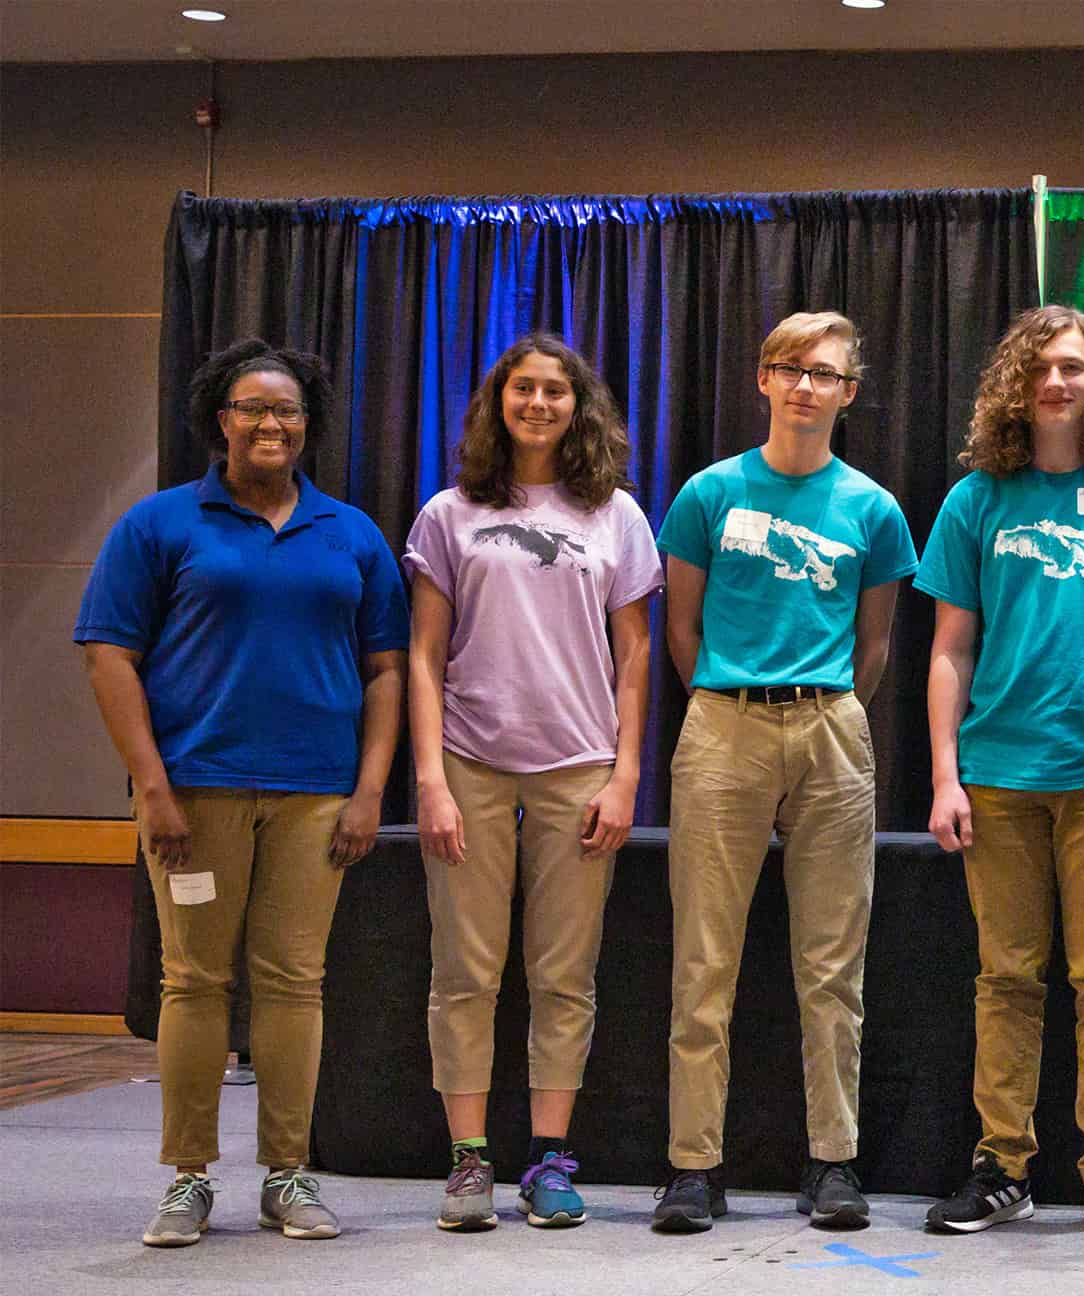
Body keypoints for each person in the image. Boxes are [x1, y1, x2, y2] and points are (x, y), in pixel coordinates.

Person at [75, 338, 408, 1248]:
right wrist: (152, 786)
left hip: (317, 798)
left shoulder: (350, 533)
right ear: (219, 420)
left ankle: (287, 1173)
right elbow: (110, 655)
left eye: (288, 410)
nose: (271, 423)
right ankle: (187, 1178)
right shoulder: (160, 524)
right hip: (195, 793)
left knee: (295, 982)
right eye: (252, 408)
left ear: (309, 425)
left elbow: (387, 670)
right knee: (193, 981)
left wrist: (371, 787)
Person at [653, 311, 918, 1233]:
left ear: (849, 393)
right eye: (790, 369)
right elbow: (680, 629)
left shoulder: (873, 509)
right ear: (763, 380)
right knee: (704, 959)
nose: (807, 386)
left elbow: (874, 643)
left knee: (832, 962)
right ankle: (694, 1165)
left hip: (831, 729)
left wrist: (821, 707)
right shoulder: (708, 495)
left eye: (827, 374)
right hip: (724, 723)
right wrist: (730, 701)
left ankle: (832, 1160)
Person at [916, 306, 1084, 1235]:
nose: (1055, 384)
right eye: (1038, 370)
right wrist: (945, 774)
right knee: (1007, 978)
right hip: (1000, 775)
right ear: (1012, 388)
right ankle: (1002, 1166)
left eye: (1071, 367)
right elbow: (949, 650)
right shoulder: (977, 498)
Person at [404, 334, 661, 1232]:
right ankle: (469, 1162)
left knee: (564, 975)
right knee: (465, 971)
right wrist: (429, 781)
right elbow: (424, 653)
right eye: (524, 388)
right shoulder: (450, 512)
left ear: (578, 405)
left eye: (557, 390)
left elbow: (634, 657)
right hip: (470, 763)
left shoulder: (617, 515)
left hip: (580, 767)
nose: (540, 403)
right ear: (497, 401)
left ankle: (550, 1160)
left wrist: (626, 775)